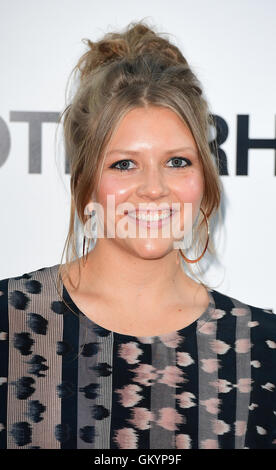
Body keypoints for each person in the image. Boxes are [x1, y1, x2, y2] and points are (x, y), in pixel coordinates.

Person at [0, 20, 275, 450]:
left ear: (205, 175)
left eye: (178, 161)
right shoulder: (7, 321)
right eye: (124, 164)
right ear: (87, 180)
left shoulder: (261, 345)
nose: (153, 188)